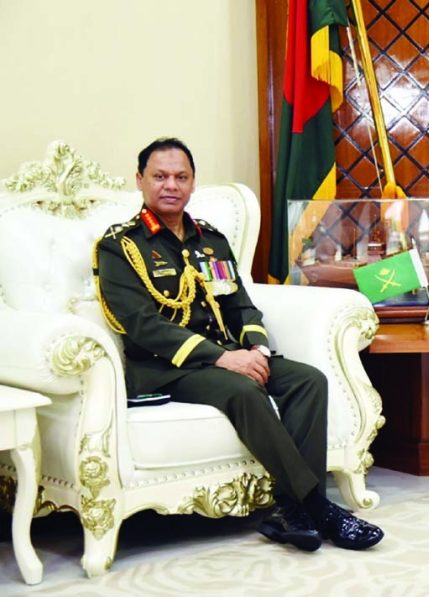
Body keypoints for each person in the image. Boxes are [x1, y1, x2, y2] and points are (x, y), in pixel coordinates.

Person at [95, 137, 383, 552]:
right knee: (244, 389)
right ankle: (319, 508)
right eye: (159, 176)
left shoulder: (210, 240)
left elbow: (240, 305)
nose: (170, 185)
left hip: (229, 355)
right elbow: (142, 325)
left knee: (308, 380)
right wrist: (223, 357)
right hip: (165, 369)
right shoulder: (120, 246)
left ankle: (292, 511)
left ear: (193, 183)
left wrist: (256, 351)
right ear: (140, 180)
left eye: (181, 176)